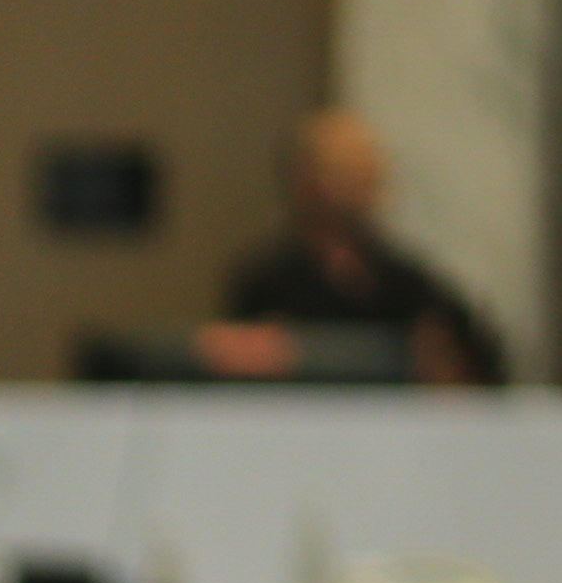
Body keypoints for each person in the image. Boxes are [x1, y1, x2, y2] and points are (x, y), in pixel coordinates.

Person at [208, 109, 507, 387]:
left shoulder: (409, 284)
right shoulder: (267, 281)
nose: (358, 185)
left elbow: (479, 364)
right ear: (301, 178)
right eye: (341, 169)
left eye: (366, 170)